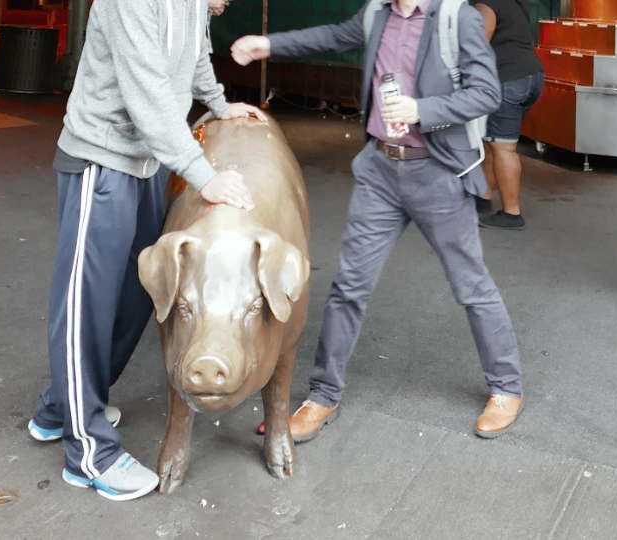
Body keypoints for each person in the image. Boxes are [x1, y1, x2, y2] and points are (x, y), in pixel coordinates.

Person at [232, 0, 526, 442]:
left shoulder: (456, 18)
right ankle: (323, 395)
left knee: (471, 285)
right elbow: (332, 36)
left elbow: (486, 93)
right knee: (349, 286)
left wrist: (421, 109)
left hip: (438, 173)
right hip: (381, 172)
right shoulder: (377, 12)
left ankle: (506, 387)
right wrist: (268, 44)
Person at [26, 0, 264, 502]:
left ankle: (61, 408)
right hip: (102, 158)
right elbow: (147, 92)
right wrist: (204, 175)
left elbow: (195, 57)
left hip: (148, 161)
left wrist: (218, 104)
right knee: (86, 306)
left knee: (141, 293)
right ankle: (88, 452)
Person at [472, 0, 544, 231]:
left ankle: (512, 214)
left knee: (503, 148)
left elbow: (478, 43)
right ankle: (482, 197)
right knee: (492, 140)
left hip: (508, 79)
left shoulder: (487, 3)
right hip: (532, 75)